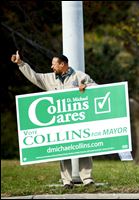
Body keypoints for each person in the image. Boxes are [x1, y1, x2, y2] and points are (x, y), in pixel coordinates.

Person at [11, 51, 96, 189]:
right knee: (63, 149)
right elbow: (35, 77)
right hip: (60, 122)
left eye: (54, 64)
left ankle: (87, 179)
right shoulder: (49, 78)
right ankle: (67, 181)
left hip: (78, 120)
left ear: (63, 64)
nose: (52, 67)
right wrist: (21, 64)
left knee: (84, 147)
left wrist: (86, 87)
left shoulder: (79, 76)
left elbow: (97, 88)